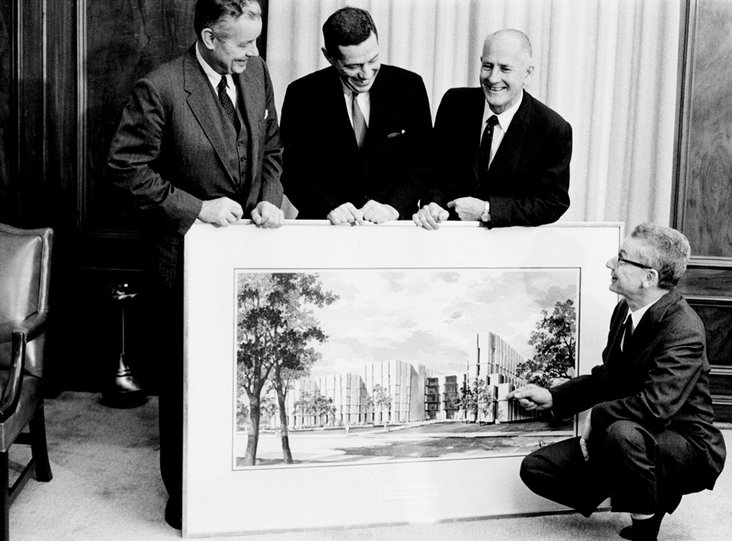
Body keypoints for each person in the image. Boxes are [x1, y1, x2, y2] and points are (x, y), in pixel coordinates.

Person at [106, 0, 284, 529]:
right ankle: (184, 495)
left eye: (256, 42)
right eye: (242, 44)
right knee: (187, 379)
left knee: (239, 376)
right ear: (209, 38)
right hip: (181, 259)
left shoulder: (256, 73)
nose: (254, 54)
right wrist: (197, 208)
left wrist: (270, 195)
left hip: (243, 260)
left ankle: (236, 484)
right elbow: (125, 167)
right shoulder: (160, 87)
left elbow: (271, 148)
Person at [506, 223, 726, 541]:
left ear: (649, 277)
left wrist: (597, 416)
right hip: (629, 435)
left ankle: (645, 525)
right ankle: (639, 486)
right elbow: (607, 379)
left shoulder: (684, 328)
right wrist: (553, 397)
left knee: (622, 434)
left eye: (622, 259)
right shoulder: (625, 310)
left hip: (686, 444)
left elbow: (657, 407)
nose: (611, 263)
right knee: (538, 468)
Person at [280, 6, 433, 225]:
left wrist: (392, 207)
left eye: (373, 60)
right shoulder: (302, 94)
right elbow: (292, 171)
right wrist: (327, 207)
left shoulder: (409, 86)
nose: (366, 74)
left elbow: (424, 164)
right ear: (329, 56)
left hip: (394, 227)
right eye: (353, 66)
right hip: (326, 227)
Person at [412, 29, 571, 230]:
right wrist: (433, 203)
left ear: (527, 74)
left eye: (505, 69)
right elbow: (434, 172)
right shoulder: (455, 104)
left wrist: (487, 210)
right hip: (448, 240)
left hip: (508, 248)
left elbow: (552, 203)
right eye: (488, 66)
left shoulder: (552, 129)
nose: (493, 78)